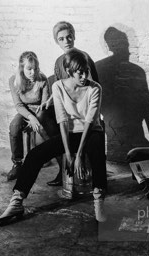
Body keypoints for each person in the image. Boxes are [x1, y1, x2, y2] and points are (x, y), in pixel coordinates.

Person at [0, 49, 107, 223]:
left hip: (90, 131)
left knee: (97, 150)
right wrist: (68, 154)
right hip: (69, 132)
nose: (84, 76)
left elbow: (90, 122)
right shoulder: (58, 86)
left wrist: (79, 156)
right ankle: (17, 201)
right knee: (35, 155)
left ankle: (99, 199)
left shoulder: (95, 88)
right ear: (69, 72)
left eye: (86, 71)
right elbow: (62, 120)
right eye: (79, 72)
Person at [47, 21, 100, 187]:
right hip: (67, 110)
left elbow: (92, 85)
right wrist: (47, 101)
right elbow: (60, 87)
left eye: (69, 37)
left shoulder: (83, 57)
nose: (66, 41)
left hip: (84, 109)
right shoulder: (58, 62)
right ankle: (64, 163)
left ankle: (79, 161)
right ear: (57, 41)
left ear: (74, 36)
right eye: (61, 39)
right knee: (45, 117)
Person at [7, 51, 58, 181]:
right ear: (21, 68)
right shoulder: (14, 81)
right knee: (14, 126)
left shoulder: (42, 79)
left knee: (52, 130)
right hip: (25, 111)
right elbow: (19, 105)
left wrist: (38, 119)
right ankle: (17, 163)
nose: (33, 72)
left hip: (42, 110)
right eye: (29, 69)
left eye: (35, 68)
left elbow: (44, 104)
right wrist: (31, 118)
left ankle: (61, 164)